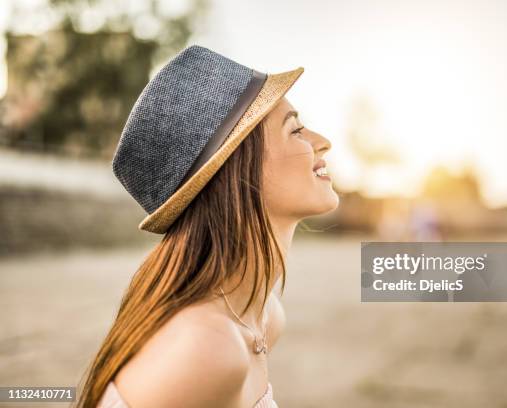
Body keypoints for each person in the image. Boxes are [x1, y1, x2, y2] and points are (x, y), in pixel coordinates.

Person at [76, 45, 339, 408]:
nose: (323, 142)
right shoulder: (205, 346)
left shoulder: (263, 316)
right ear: (236, 169)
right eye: (295, 130)